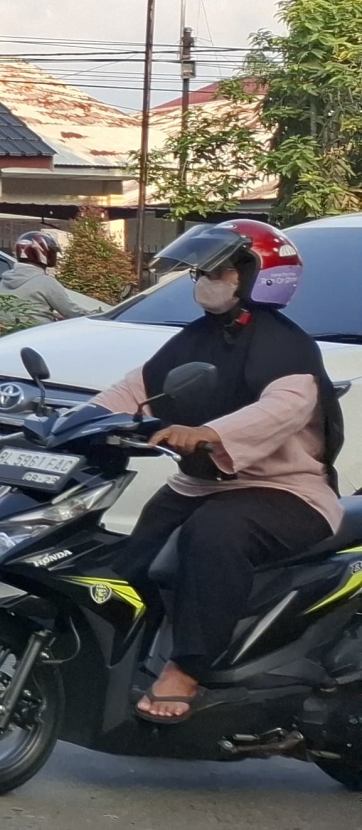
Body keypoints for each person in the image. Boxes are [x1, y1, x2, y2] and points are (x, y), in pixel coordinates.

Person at [91, 220, 343, 724]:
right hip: (201, 482)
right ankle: (121, 659)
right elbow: (137, 387)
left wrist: (209, 433)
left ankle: (187, 669)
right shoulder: (196, 337)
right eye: (202, 271)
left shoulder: (287, 348)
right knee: (132, 557)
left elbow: (279, 410)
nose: (206, 279)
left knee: (213, 534)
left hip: (286, 491)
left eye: (219, 270)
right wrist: (81, 420)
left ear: (258, 275)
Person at [0, 230, 107, 322]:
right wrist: (100, 316)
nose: (54, 256)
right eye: (52, 252)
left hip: (10, 336)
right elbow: (71, 312)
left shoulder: (5, 280)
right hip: (40, 337)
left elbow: (25, 312)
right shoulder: (46, 282)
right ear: (42, 253)